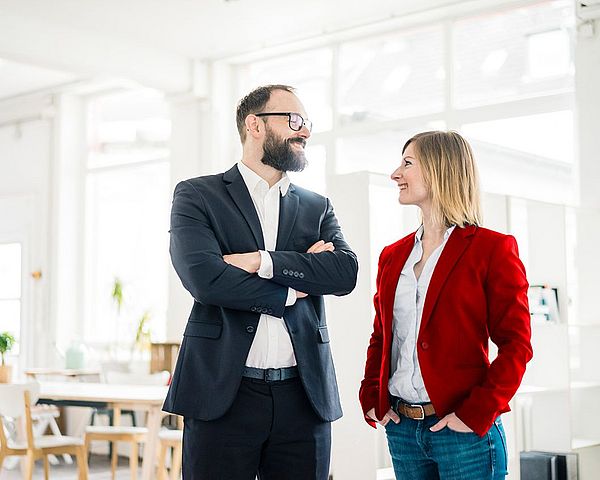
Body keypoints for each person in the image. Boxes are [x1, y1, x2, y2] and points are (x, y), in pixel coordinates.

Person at [163, 84, 358, 480]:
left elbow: (344, 273)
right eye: (295, 121)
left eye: (308, 124)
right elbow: (206, 280)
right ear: (254, 125)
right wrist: (297, 284)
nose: (304, 132)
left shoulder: (317, 206)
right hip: (223, 393)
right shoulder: (198, 195)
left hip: (304, 396)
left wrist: (261, 261)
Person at [359, 131, 533, 480]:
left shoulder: (491, 249)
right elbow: (382, 337)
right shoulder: (392, 256)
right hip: (403, 429)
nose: (396, 174)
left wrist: (476, 413)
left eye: (407, 163)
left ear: (440, 170)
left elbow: (517, 346)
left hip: (463, 433)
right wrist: (371, 396)